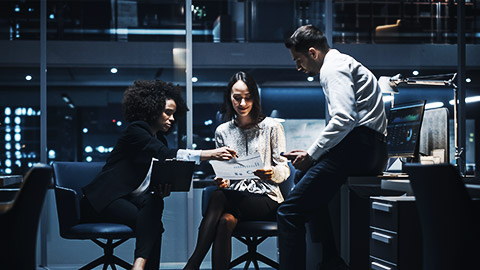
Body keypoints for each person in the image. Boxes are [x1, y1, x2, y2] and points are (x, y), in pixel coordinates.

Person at [81, 80, 237, 270]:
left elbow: (148, 175)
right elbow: (164, 155)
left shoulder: (159, 138)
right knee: (153, 225)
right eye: (167, 113)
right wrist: (209, 153)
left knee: (156, 202)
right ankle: (139, 266)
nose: (171, 119)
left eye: (173, 114)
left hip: (130, 199)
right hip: (103, 200)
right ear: (152, 110)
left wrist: (160, 187)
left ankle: (140, 265)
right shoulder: (136, 131)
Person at [278, 25, 389, 270]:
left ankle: (329, 260)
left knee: (288, 213)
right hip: (369, 149)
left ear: (312, 52)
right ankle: (330, 260)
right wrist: (311, 155)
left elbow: (344, 119)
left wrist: (312, 154)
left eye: (299, 60)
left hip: (359, 147)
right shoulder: (344, 62)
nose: (298, 67)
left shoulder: (332, 68)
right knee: (302, 174)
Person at [184, 71, 290, 270]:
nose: (242, 104)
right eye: (237, 98)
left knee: (218, 198)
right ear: (229, 98)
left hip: (266, 198)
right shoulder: (223, 131)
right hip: (235, 198)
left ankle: (193, 264)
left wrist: (271, 173)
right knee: (225, 221)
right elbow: (225, 173)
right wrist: (223, 181)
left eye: (248, 98)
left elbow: (284, 168)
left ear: (255, 98)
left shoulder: (271, 127)